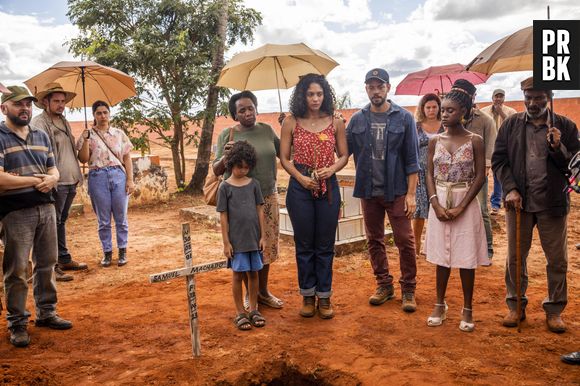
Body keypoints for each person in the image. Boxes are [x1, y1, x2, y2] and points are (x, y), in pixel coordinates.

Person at [492, 77, 580, 333]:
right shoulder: (510, 125)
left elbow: (573, 166)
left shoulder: (565, 125)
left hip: (552, 203)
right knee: (515, 257)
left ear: (549, 96)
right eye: (528, 97)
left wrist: (557, 146)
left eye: (538, 97)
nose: (532, 103)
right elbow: (499, 160)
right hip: (518, 204)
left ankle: (554, 310)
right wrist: (509, 188)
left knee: (557, 260)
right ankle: (515, 306)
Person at [0, 86, 72, 348]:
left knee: (47, 264)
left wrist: (51, 178)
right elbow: (0, 180)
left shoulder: (41, 135)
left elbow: (53, 170)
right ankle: (17, 322)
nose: (25, 109)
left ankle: (47, 312)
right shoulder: (0, 136)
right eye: (18, 104)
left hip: (46, 209)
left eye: (28, 104)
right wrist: (37, 180)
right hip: (16, 212)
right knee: (17, 270)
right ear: (4, 107)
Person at [346, 68, 420, 312]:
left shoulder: (404, 118)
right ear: (366, 88)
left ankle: (408, 289)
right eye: (371, 86)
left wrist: (410, 194)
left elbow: (412, 159)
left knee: (405, 241)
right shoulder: (357, 119)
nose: (375, 91)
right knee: (374, 240)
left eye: (380, 86)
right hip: (369, 191)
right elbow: (342, 150)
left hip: (397, 191)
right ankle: (384, 285)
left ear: (388, 88)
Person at [280, 73, 348, 319]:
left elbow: (343, 155)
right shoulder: (291, 122)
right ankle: (308, 296)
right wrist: (300, 178)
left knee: (325, 245)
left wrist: (332, 169)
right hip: (300, 187)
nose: (315, 98)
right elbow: (284, 158)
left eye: (319, 93)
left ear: (325, 94)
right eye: (310, 94)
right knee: (304, 244)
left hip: (327, 186)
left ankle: (325, 297)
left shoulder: (336, 121)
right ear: (302, 95)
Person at [424, 84, 489, 332]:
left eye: (450, 110)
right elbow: (428, 174)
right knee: (441, 257)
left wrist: (462, 206)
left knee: (465, 257)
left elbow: (481, 177)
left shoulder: (475, 141)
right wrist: (435, 204)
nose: (444, 114)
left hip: (466, 200)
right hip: (439, 198)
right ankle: (439, 304)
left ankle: (468, 307)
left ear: (463, 111)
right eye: (442, 110)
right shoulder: (434, 141)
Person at [213, 91, 282, 309]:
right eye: (241, 110)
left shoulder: (267, 131)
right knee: (242, 246)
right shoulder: (227, 134)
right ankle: (247, 294)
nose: (247, 112)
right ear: (234, 114)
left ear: (256, 108)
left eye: (250, 107)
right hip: (238, 201)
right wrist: (225, 157)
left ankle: (262, 292)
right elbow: (216, 169)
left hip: (267, 197)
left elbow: (287, 153)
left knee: (265, 246)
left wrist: (289, 126)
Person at [31, 82, 88, 282]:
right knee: (51, 226)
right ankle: (50, 266)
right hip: (56, 182)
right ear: (45, 101)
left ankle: (63, 258)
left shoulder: (63, 121)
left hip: (71, 181)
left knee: (60, 222)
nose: (61, 104)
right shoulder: (40, 123)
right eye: (56, 101)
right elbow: (40, 154)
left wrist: (84, 138)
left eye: (63, 101)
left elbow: (73, 150)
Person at [77, 101, 134, 267]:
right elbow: (84, 159)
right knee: (103, 220)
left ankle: (123, 251)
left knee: (121, 217)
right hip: (97, 175)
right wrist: (86, 140)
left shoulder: (118, 133)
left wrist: (130, 180)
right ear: (94, 116)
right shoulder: (88, 135)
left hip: (118, 174)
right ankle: (107, 253)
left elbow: (127, 157)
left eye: (105, 112)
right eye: (98, 113)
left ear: (109, 114)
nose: (102, 116)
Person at [217, 140, 267, 330]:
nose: (243, 170)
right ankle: (239, 312)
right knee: (238, 275)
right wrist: (226, 242)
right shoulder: (225, 187)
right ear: (231, 164)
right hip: (236, 242)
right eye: (239, 167)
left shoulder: (254, 184)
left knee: (254, 274)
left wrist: (263, 236)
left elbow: (260, 210)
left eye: (247, 167)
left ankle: (254, 309)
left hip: (254, 239)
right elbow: (223, 216)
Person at [447, 80, 495, 260]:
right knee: (453, 209)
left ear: (472, 97)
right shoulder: (447, 116)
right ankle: (458, 249)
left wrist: (484, 171)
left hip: (476, 175)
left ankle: (487, 250)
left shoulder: (485, 120)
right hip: (452, 177)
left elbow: (490, 150)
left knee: (481, 210)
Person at [413, 93, 442, 257]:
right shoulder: (416, 126)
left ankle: (433, 247)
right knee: (419, 210)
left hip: (440, 174)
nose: (431, 110)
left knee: (438, 208)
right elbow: (410, 149)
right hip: (419, 173)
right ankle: (415, 247)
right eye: (428, 107)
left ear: (439, 108)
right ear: (423, 109)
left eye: (434, 107)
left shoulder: (445, 125)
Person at [480, 89, 517, 215]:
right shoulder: (483, 111)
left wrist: (501, 112)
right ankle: (481, 204)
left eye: (501, 97)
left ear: (504, 98)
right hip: (486, 148)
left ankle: (495, 204)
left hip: (502, 149)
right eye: (496, 96)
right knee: (482, 175)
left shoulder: (511, 112)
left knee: (498, 176)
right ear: (492, 98)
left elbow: (513, 127)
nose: (498, 99)